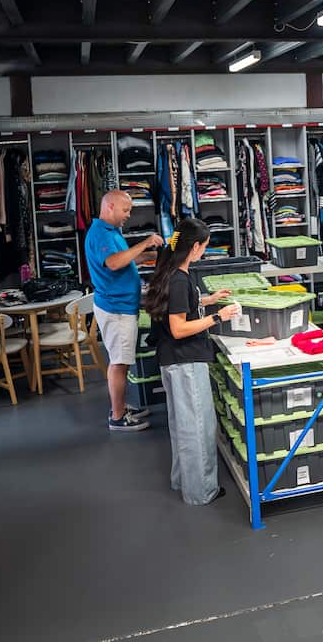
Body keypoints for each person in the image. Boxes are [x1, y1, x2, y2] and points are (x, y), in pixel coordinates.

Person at [143, 218, 240, 506]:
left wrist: (208, 300)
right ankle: (200, 492)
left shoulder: (172, 272)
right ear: (195, 246)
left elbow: (181, 307)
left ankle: (183, 480)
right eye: (205, 247)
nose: (205, 252)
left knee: (182, 426)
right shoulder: (179, 279)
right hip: (185, 362)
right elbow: (179, 328)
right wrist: (218, 316)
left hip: (173, 361)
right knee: (197, 428)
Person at [85, 189, 164, 432]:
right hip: (116, 309)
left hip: (121, 305)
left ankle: (119, 407)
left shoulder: (111, 232)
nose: (128, 215)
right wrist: (145, 243)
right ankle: (118, 417)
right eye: (125, 210)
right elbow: (114, 262)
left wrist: (148, 255)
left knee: (123, 361)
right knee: (119, 363)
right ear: (110, 207)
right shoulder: (101, 234)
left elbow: (123, 260)